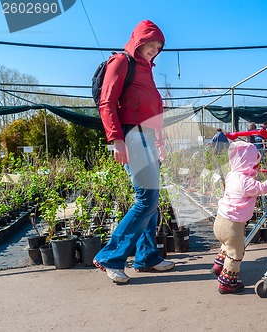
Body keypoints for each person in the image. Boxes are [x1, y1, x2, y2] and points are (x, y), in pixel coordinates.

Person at [93, 20, 174, 284]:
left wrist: (160, 141)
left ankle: (147, 257)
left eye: (157, 48)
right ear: (138, 41)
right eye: (149, 46)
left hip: (147, 137)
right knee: (146, 199)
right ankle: (110, 257)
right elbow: (107, 102)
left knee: (152, 201)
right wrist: (116, 139)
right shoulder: (121, 62)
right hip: (132, 136)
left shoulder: (146, 70)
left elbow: (153, 110)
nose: (153, 51)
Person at [210, 141, 267, 294]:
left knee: (227, 244)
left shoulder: (232, 175)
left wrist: (253, 173)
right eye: (254, 164)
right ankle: (227, 283)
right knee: (236, 252)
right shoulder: (246, 183)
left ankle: (219, 266)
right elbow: (262, 188)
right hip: (232, 225)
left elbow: (246, 182)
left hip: (220, 221)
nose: (256, 167)